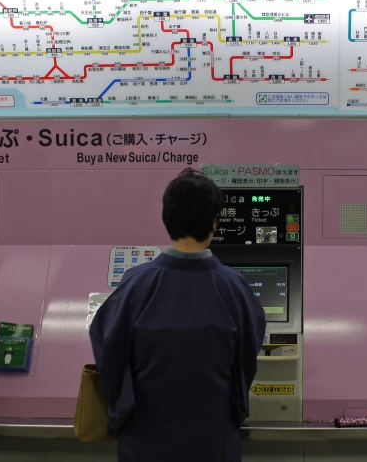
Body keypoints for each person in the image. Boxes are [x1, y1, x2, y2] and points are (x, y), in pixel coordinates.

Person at [89, 168, 266, 462]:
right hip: (214, 441)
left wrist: (124, 407)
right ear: (214, 223)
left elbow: (109, 353)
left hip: (146, 441)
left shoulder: (136, 284)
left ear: (167, 220)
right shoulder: (235, 288)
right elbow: (246, 362)